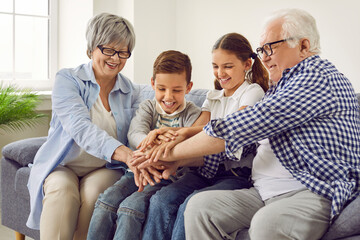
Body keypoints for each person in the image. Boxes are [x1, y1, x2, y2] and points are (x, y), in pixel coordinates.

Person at [141, 8, 360, 240]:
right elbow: (242, 146)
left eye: (270, 48)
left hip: (311, 190)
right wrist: (177, 160)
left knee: (266, 224)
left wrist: (167, 154)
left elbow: (240, 127)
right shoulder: (281, 86)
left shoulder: (316, 78)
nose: (263, 57)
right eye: (261, 50)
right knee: (200, 208)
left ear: (304, 46)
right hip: (263, 191)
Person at [133, 32, 269, 240]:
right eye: (215, 66)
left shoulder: (253, 92)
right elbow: (197, 132)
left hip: (235, 175)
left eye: (228, 66)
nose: (220, 73)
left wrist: (180, 136)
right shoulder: (212, 97)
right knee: (161, 200)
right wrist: (163, 138)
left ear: (247, 64)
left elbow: (228, 129)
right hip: (205, 170)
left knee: (190, 205)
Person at [26, 13, 142, 240]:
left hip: (103, 168)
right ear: (91, 49)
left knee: (94, 196)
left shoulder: (132, 91)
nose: (115, 58)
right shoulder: (67, 80)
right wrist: (125, 153)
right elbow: (79, 127)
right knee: (62, 192)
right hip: (63, 165)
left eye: (122, 52)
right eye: (108, 49)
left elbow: (140, 126)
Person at [87, 50, 202, 240]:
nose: (168, 97)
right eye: (162, 88)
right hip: (137, 171)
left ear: (188, 87)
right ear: (152, 84)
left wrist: (159, 150)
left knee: (130, 209)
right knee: (106, 201)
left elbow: (189, 146)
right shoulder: (148, 107)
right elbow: (134, 134)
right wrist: (153, 139)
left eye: (177, 90)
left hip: (166, 177)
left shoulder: (192, 114)